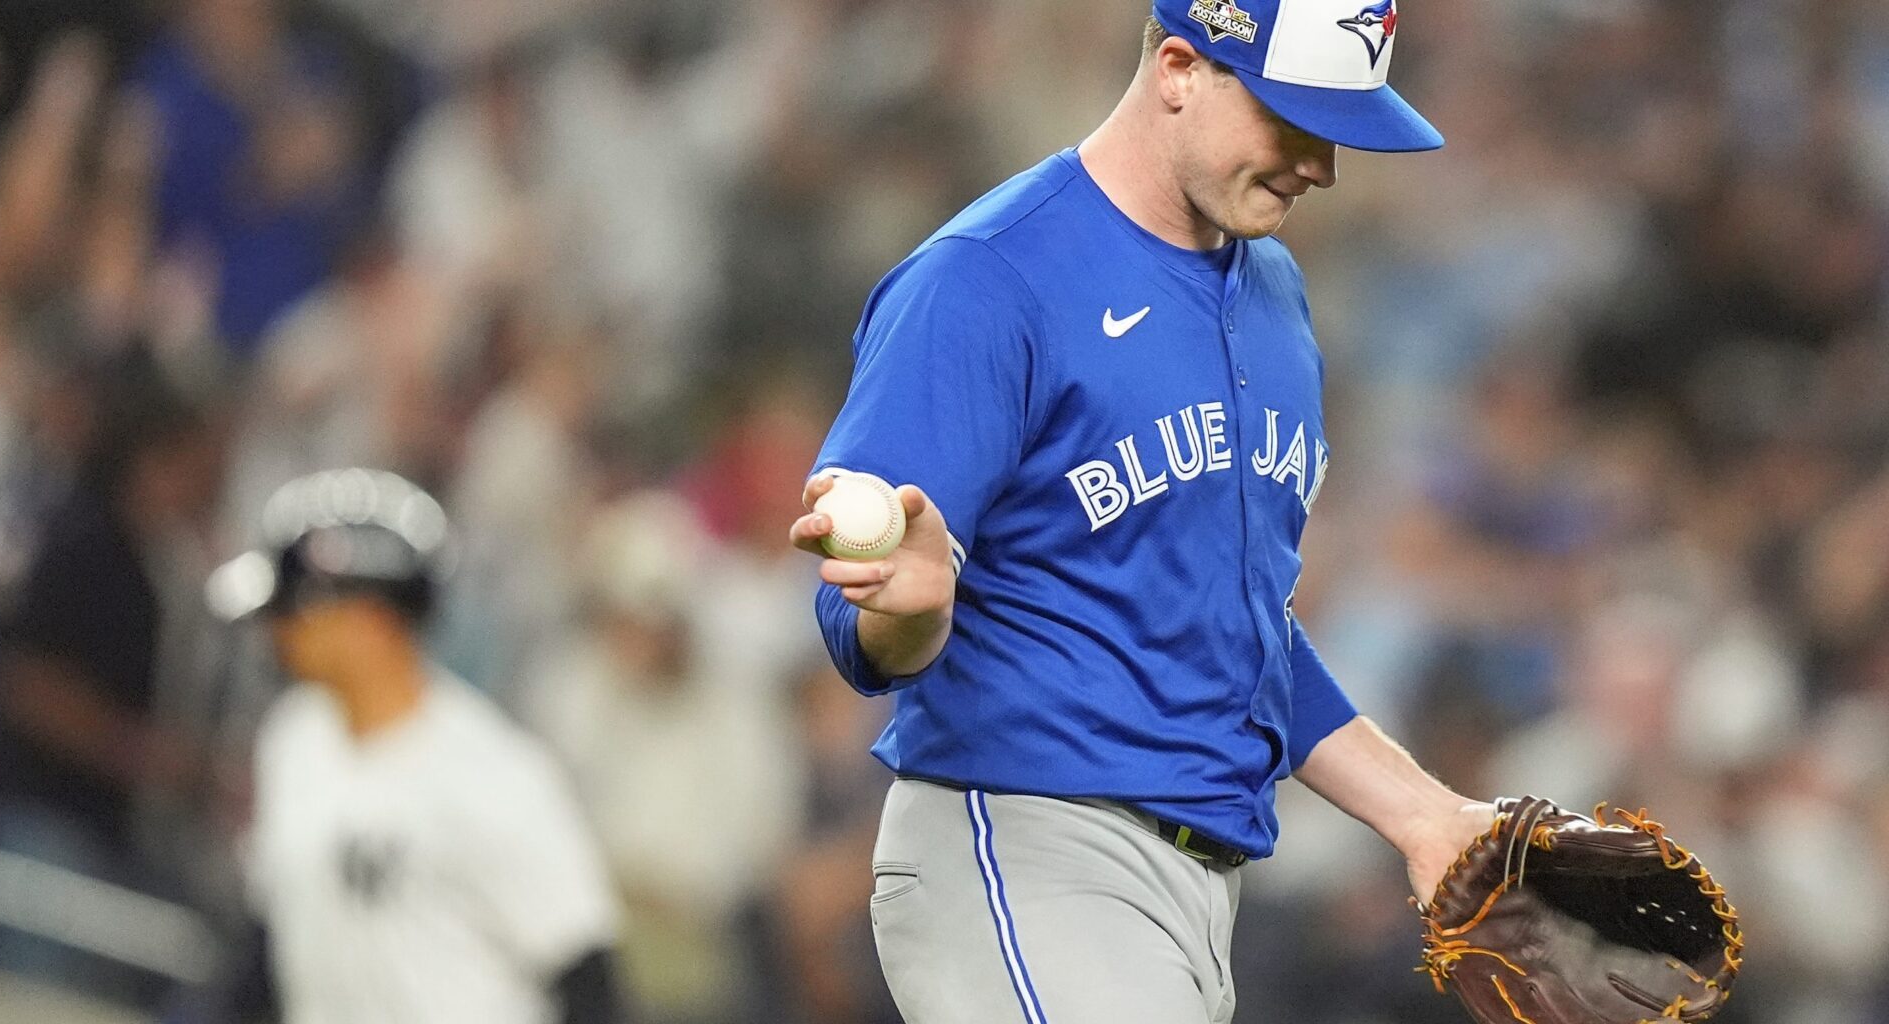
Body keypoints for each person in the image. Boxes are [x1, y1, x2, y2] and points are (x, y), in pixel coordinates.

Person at [790, 2, 1498, 1021]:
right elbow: (861, 624)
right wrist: (912, 608)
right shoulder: (987, 278)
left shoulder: (1277, 294)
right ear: (1178, 66)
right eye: (1292, 119)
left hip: (1198, 898)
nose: (1323, 166)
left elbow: (1231, 628)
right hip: (1027, 846)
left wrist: (1428, 816)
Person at [211, 468, 625, 1024]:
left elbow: (586, 977)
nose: (277, 630)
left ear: (369, 617)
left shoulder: (494, 772)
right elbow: (274, 939)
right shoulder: (291, 738)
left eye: (295, 608)